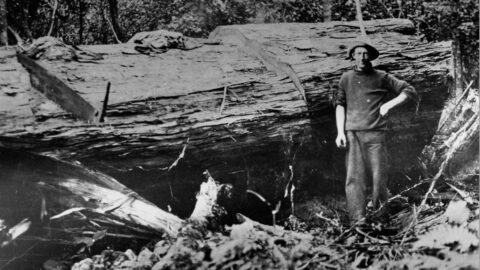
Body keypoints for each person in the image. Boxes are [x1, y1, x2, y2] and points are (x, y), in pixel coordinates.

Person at [335, 41, 417, 225]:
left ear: (371, 56)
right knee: (353, 177)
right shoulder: (346, 78)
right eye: (358, 53)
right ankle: (358, 220)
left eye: (365, 54)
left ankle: (380, 217)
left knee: (379, 176)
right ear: (353, 56)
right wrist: (340, 132)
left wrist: (388, 104)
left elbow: (409, 90)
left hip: (375, 134)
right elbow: (340, 104)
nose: (362, 57)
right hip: (352, 135)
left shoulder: (381, 76)